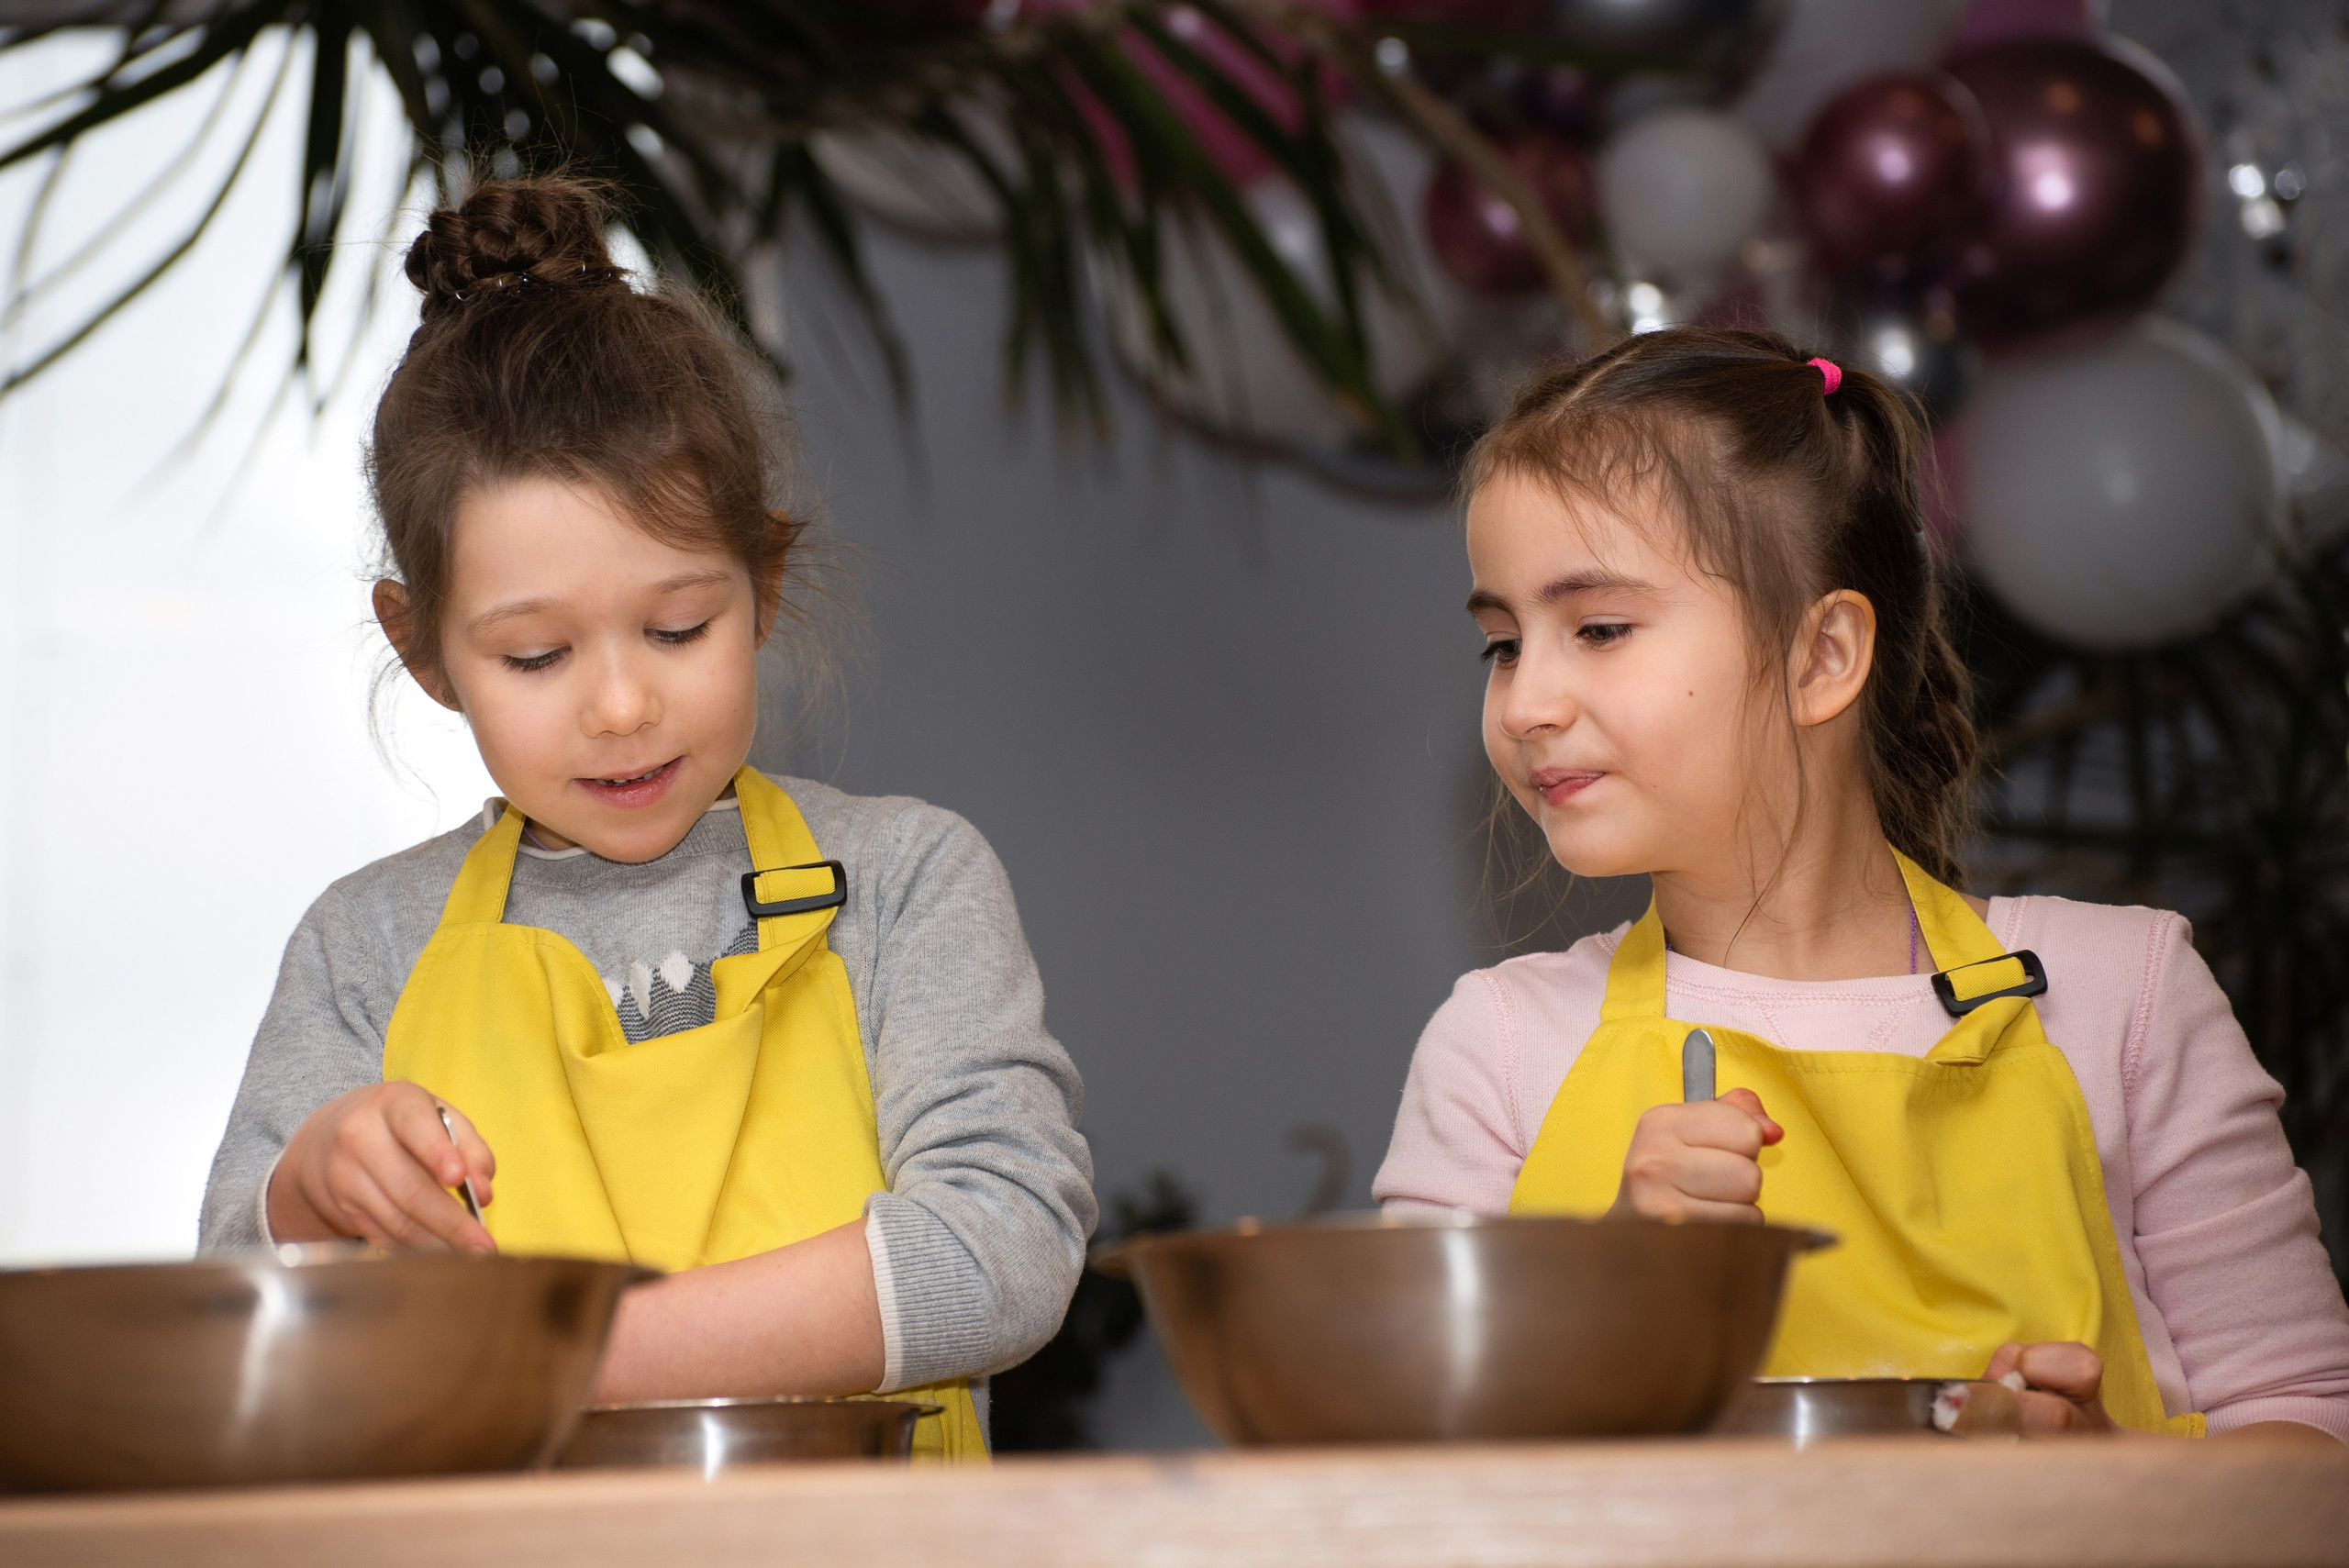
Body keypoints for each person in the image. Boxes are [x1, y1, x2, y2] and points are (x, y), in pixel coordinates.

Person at [198, 176, 1094, 1462]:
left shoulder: (904, 882)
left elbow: (1005, 1245)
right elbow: (238, 1319)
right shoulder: (366, 946)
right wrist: (309, 1195)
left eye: (678, 629)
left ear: (765, 582)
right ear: (425, 648)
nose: (621, 705)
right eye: (535, 657)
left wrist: (581, 1360)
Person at [1374, 327, 2349, 1441]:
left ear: (1821, 655)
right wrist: (1603, 1300)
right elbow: (1412, 1476)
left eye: (1597, 626)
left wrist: (2104, 1478)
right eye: (1502, 642)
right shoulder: (1497, 1048)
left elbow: (2313, 1439)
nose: (1525, 701)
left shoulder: (2121, 994)